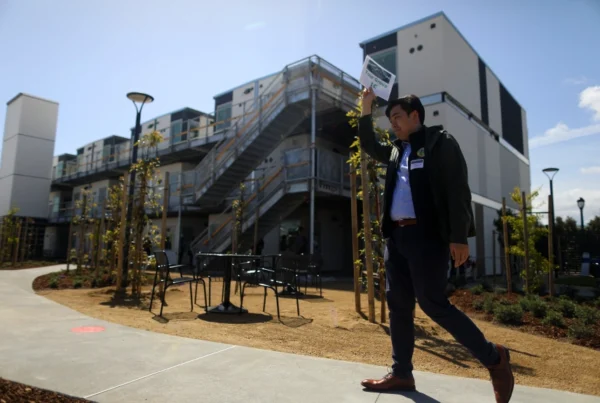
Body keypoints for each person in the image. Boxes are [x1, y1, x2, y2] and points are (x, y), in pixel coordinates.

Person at [358, 88, 514, 403]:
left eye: (398, 117)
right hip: (396, 238)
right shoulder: (394, 151)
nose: (393, 124)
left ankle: (494, 358)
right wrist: (365, 109)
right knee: (398, 306)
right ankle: (402, 373)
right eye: (390, 120)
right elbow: (368, 143)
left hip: (427, 237)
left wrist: (459, 237)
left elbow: (457, 190)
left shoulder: (440, 144)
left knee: (433, 304)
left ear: (416, 116)